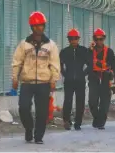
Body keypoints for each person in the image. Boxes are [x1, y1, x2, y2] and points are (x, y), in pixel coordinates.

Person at [12, 11, 60, 144]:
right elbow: (17, 62)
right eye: (37, 26)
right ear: (32, 27)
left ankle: (38, 136)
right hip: (27, 82)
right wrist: (15, 78)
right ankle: (29, 128)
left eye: (42, 25)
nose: (40, 28)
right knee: (23, 107)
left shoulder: (50, 45)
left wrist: (53, 80)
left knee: (42, 111)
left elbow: (54, 64)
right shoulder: (24, 44)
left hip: (44, 83)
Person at [59, 28, 89, 131]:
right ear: (68, 40)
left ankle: (78, 123)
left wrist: (83, 74)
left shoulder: (84, 51)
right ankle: (66, 121)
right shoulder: (64, 51)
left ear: (78, 39)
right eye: (71, 39)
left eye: (75, 38)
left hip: (80, 81)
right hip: (69, 80)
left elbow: (90, 64)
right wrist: (65, 74)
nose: (73, 41)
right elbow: (60, 64)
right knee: (67, 101)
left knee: (80, 102)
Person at [87, 28, 115, 130]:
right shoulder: (90, 50)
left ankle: (101, 123)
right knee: (92, 102)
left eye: (101, 39)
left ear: (104, 39)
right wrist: (89, 50)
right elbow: (86, 60)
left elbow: (114, 64)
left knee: (105, 102)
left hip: (105, 78)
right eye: (97, 39)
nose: (99, 41)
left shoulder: (109, 51)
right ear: (94, 39)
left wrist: (114, 78)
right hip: (94, 77)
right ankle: (97, 119)